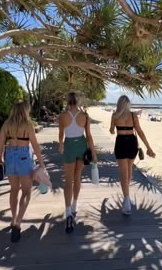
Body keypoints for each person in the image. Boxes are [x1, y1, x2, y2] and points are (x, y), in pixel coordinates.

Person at [0, 101, 45, 243]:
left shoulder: (7, 124)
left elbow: (0, 143)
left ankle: (13, 219)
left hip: (10, 155)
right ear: (25, 110)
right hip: (24, 157)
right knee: (26, 191)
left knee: (14, 190)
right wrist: (41, 163)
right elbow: (35, 145)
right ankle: (18, 222)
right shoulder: (28, 124)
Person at [109, 95, 156, 215]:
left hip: (120, 142)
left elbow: (111, 130)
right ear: (128, 104)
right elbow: (139, 131)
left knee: (123, 172)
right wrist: (148, 147)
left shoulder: (114, 115)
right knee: (129, 169)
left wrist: (113, 129)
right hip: (131, 142)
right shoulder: (133, 115)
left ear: (119, 104)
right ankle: (127, 194)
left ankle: (126, 200)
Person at [58, 92, 97, 234]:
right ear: (78, 101)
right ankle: (74, 205)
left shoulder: (62, 116)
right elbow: (89, 136)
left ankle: (68, 212)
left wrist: (61, 145)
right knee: (77, 176)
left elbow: (61, 135)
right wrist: (93, 153)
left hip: (69, 145)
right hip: (81, 145)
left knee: (68, 181)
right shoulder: (84, 116)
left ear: (68, 101)